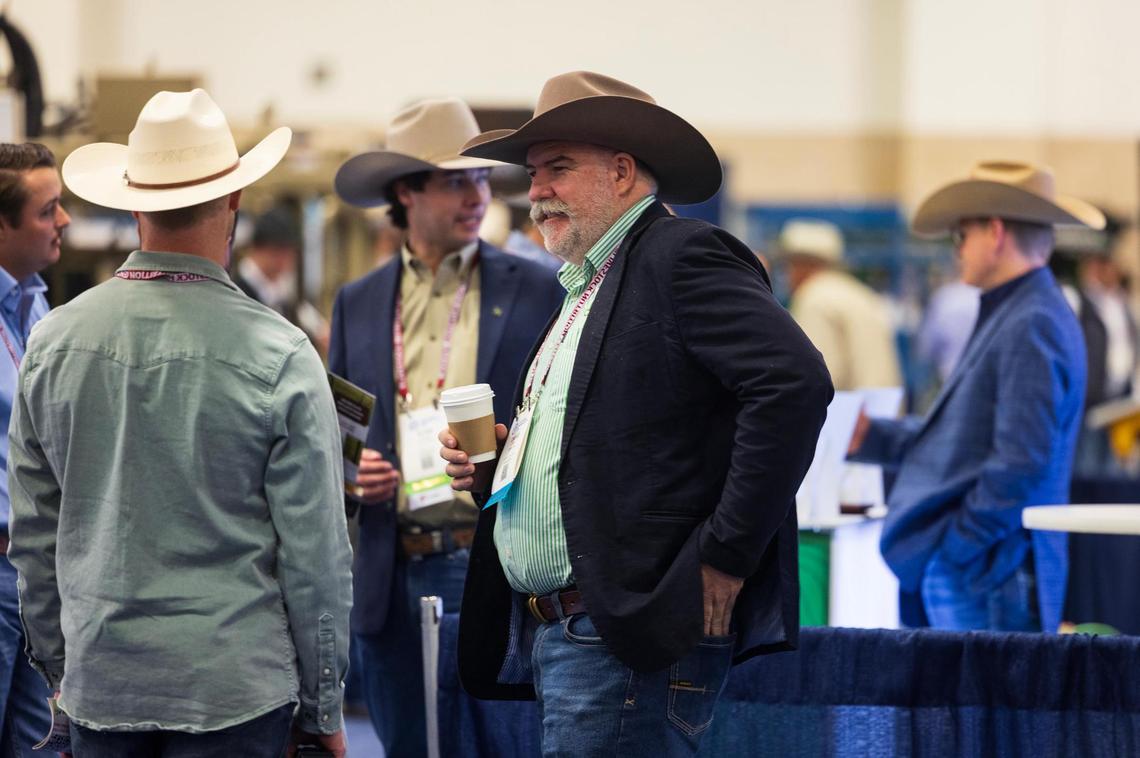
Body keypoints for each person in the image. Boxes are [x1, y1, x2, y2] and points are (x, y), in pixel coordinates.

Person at [440, 71, 832, 756]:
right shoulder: (587, 285)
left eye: (558, 168)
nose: (536, 192)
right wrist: (498, 470)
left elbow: (793, 386)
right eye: (533, 174)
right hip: (578, 636)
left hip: (624, 635)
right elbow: (618, 438)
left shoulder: (680, 256)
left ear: (622, 172)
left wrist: (727, 553)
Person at [8, 89, 353, 756]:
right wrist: (323, 707)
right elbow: (316, 557)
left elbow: (35, 532)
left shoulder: (52, 342)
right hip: (235, 688)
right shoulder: (281, 354)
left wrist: (59, 668)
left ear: (133, 203)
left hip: (103, 683)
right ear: (234, 200)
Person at [330, 96, 562, 756]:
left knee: (501, 745)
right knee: (405, 745)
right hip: (391, 567)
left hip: (491, 557)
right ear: (406, 191)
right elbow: (340, 430)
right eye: (456, 181)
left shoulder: (537, 289)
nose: (477, 196)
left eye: (482, 178)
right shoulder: (358, 301)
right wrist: (353, 476)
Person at [848, 160, 1100, 633]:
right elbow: (967, 438)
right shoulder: (1019, 312)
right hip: (986, 567)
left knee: (979, 686)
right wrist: (874, 437)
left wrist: (956, 548)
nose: (957, 249)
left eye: (962, 235)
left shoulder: (1031, 320)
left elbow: (1020, 463)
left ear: (996, 233)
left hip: (990, 569)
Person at [0, 142, 68, 754]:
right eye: (48, 210)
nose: (63, 221)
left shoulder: (37, 304)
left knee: (35, 743)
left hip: (34, 575)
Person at [778, 218, 902, 391]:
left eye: (789, 265)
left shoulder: (814, 297)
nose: (787, 274)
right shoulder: (856, 291)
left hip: (852, 405)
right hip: (883, 404)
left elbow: (820, 376)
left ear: (802, 265)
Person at [232, 207, 330, 353]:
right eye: (278, 251)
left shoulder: (284, 292)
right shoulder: (237, 291)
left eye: (290, 252)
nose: (285, 259)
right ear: (257, 249)